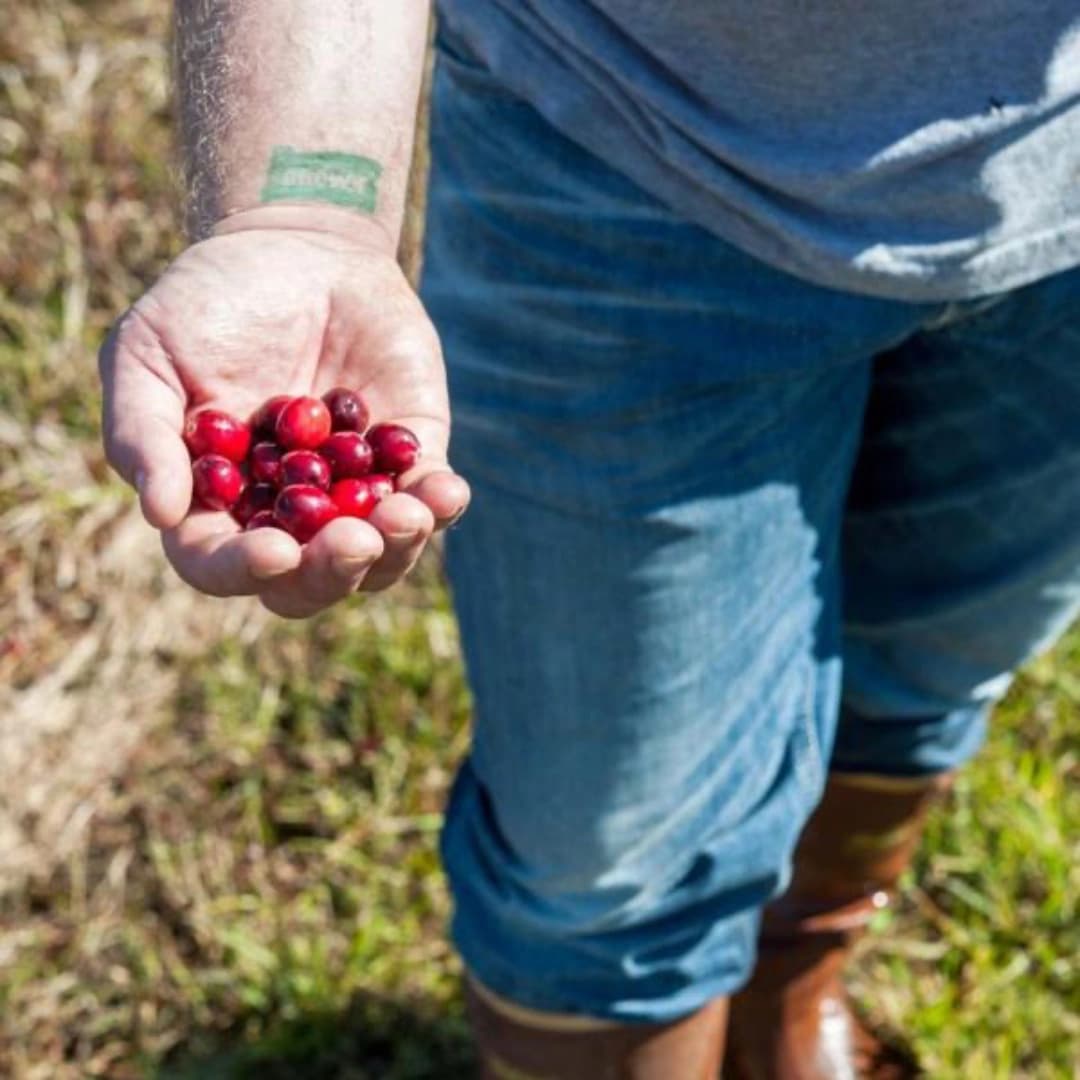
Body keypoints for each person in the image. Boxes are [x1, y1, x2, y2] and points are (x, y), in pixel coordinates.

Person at [98, 2, 1080, 1077]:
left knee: (931, 657)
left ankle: (787, 994)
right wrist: (296, 210)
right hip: (622, 151)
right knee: (609, 845)